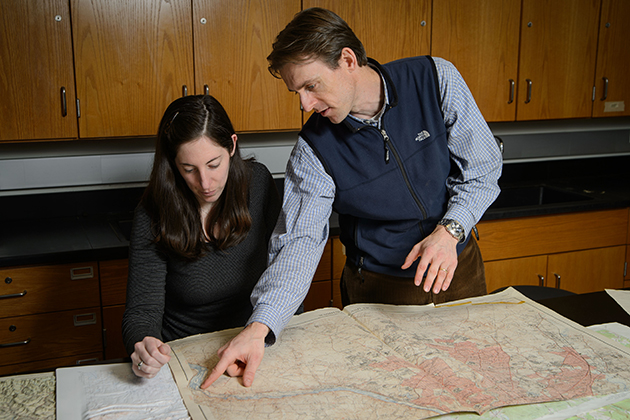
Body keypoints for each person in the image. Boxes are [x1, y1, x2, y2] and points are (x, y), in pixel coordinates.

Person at [202, 7, 502, 388]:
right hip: (378, 289)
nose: (304, 105)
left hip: (458, 270)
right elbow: (299, 243)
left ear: (347, 60)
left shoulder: (435, 78)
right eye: (296, 92)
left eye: (312, 86)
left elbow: (483, 168)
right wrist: (261, 326)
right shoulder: (313, 151)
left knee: (473, 385)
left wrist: (449, 232)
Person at [122, 94, 281, 379]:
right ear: (173, 164)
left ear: (232, 145)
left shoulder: (258, 185)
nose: (205, 183)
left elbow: (282, 272)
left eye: (213, 164)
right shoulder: (153, 213)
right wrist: (144, 344)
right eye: (189, 170)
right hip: (182, 356)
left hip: (251, 345)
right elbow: (142, 310)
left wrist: (274, 335)